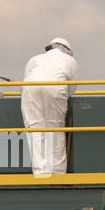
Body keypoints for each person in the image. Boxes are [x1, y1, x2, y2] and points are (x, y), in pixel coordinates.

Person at [21, 37, 77, 177]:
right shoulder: (69, 60)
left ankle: (40, 173)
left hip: (31, 88)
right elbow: (72, 89)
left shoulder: (35, 59)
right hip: (55, 87)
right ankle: (57, 173)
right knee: (55, 128)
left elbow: (23, 85)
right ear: (67, 50)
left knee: (35, 129)